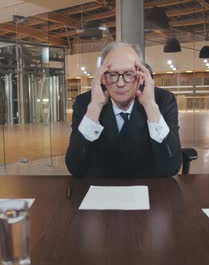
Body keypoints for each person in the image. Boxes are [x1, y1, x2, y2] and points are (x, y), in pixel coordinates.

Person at [65, 42, 182, 177]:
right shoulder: (85, 103)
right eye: (112, 74)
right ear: (102, 77)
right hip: (102, 189)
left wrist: (150, 106)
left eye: (129, 74)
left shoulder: (163, 101)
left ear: (141, 76)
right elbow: (74, 167)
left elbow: (172, 166)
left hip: (149, 189)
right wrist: (95, 108)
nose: (120, 83)